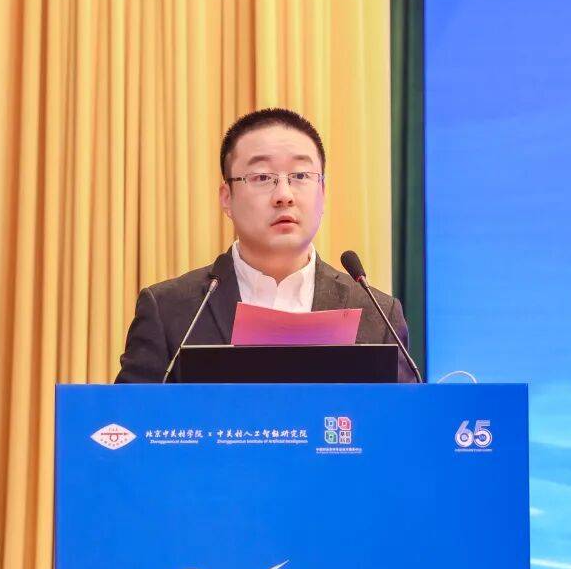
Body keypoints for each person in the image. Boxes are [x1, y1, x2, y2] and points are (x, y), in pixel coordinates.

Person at [115, 107, 412, 383]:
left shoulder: (378, 315)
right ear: (227, 198)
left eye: (300, 176)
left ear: (322, 192)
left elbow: (404, 418)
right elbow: (130, 416)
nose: (284, 195)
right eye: (262, 177)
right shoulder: (170, 310)